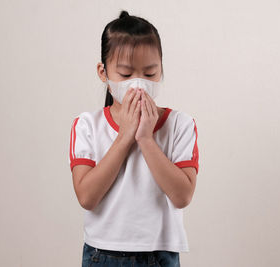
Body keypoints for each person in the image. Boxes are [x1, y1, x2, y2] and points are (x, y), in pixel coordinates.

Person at [68, 10, 199, 267]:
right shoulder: (87, 125)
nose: (138, 84)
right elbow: (87, 197)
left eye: (150, 74)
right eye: (126, 75)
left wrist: (146, 139)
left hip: (160, 255)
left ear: (161, 69)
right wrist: (125, 136)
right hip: (102, 254)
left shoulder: (180, 125)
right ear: (103, 73)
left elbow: (182, 196)